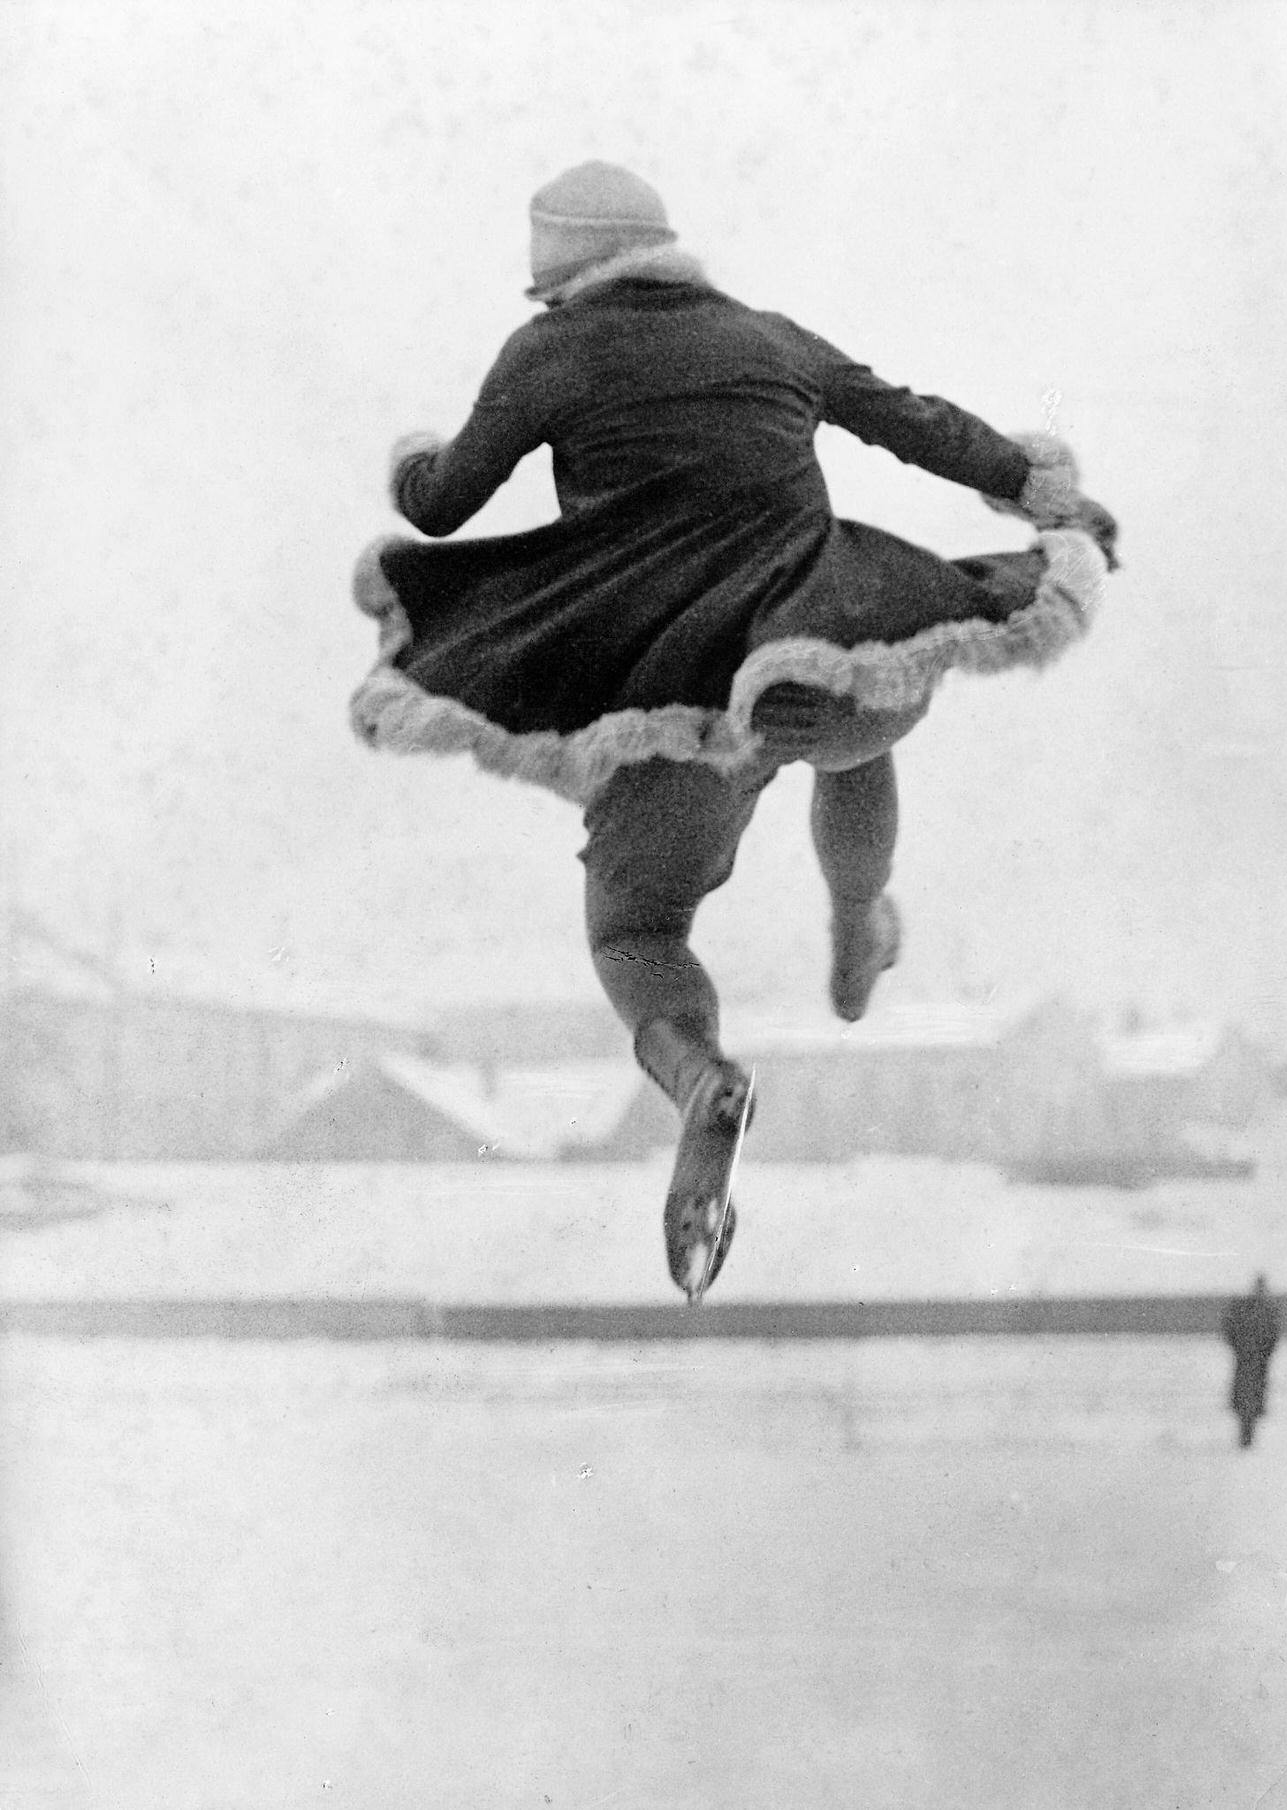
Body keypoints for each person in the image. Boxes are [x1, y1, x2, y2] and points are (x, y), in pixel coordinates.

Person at [351, 160, 1119, 1300]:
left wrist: (414, 456)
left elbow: (439, 505)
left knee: (634, 931)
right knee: (862, 725)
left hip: (670, 702)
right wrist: (1043, 495)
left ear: (558, 276)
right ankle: (860, 917)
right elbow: (924, 429)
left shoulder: (548, 353)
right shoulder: (769, 338)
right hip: (830, 650)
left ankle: (700, 1076)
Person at [1222, 1274, 1281, 1448]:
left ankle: (1247, 1438)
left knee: (1250, 1402)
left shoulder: (1264, 1309)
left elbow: (1273, 1335)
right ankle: (1246, 1438)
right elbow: (1230, 1329)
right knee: (1248, 1402)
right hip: (1249, 1361)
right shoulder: (1254, 1308)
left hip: (1253, 1361)